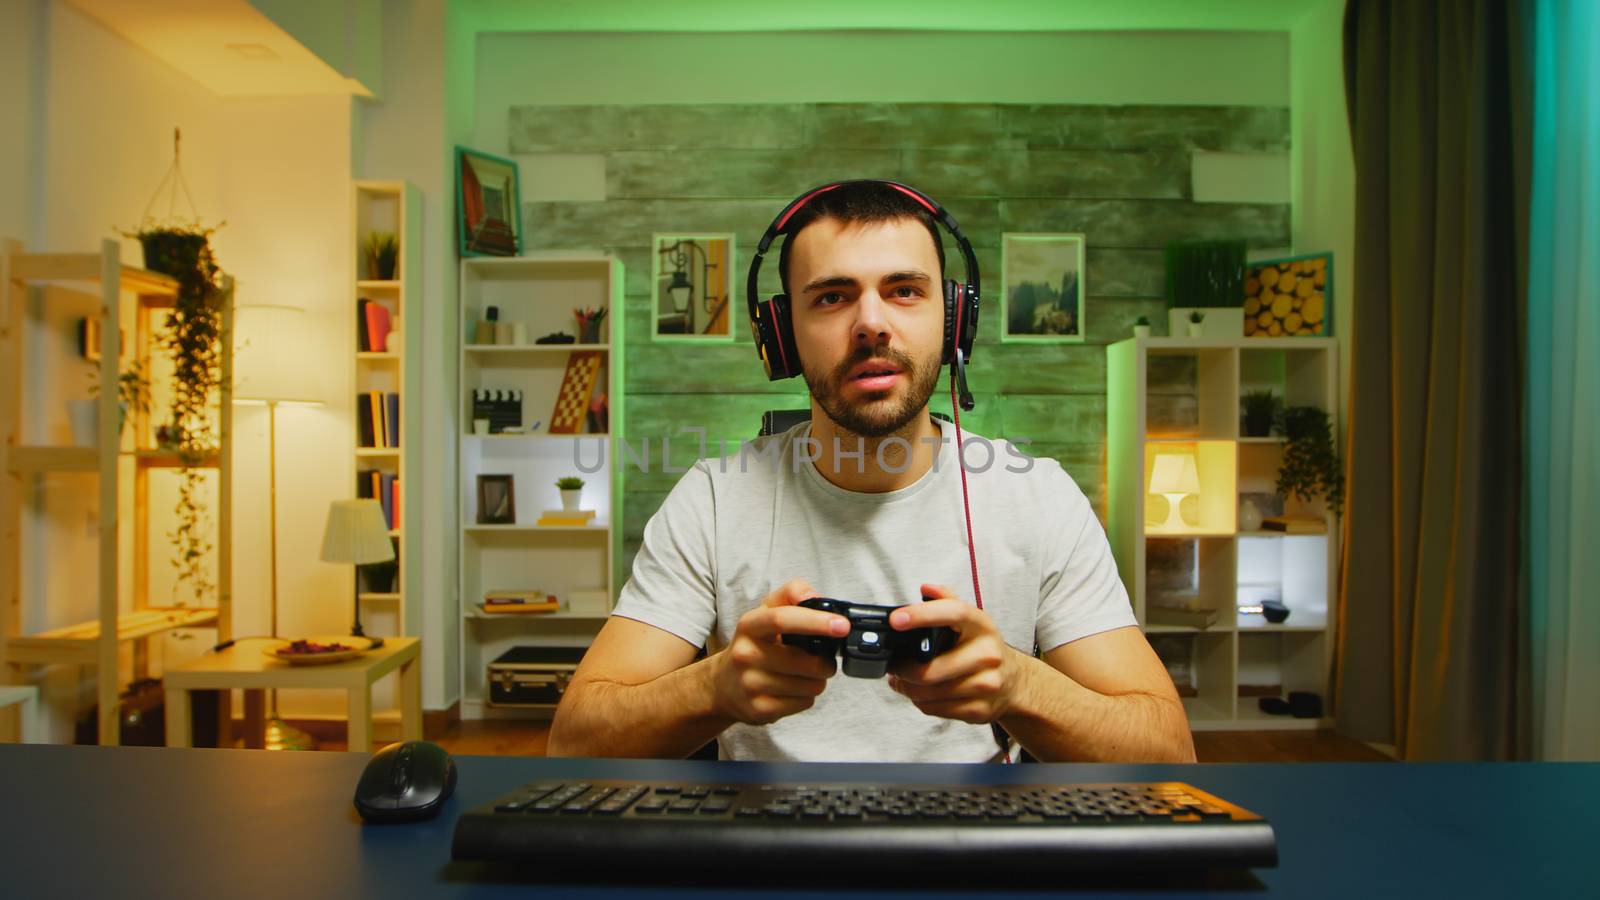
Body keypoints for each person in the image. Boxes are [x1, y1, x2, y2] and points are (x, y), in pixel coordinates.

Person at [547, 181, 1195, 763]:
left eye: (904, 290)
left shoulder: (1038, 498)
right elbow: (572, 743)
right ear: (783, 335)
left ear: (954, 318)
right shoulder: (715, 499)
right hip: (767, 857)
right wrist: (712, 689)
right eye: (832, 298)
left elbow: (1168, 754)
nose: (871, 324)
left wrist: (1020, 687)